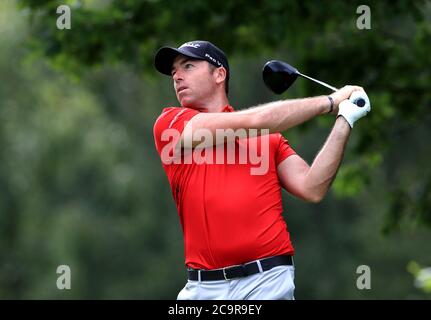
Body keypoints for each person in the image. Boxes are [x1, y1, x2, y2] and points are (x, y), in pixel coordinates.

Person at [152, 40, 370, 300]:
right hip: (202, 288)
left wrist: (345, 118)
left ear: (219, 74)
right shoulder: (171, 125)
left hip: (267, 280)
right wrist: (329, 102)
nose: (177, 75)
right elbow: (255, 121)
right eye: (174, 71)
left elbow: (312, 187)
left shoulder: (268, 139)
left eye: (188, 66)